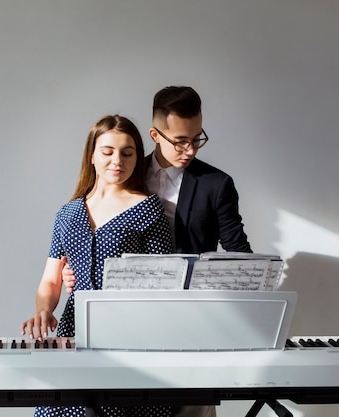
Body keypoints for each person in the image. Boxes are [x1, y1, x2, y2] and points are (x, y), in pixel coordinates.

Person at [62, 86, 253, 417]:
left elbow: (239, 253)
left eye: (197, 138)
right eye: (181, 140)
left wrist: (250, 285)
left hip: (193, 324)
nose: (190, 149)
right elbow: (95, 226)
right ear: (154, 134)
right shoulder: (124, 170)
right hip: (124, 325)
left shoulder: (217, 184)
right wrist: (76, 269)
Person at [20, 114, 174, 417]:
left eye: (128, 153)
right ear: (91, 155)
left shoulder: (149, 209)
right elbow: (51, 279)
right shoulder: (67, 213)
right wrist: (44, 310)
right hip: (74, 331)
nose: (118, 160)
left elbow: (166, 280)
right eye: (107, 151)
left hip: (131, 336)